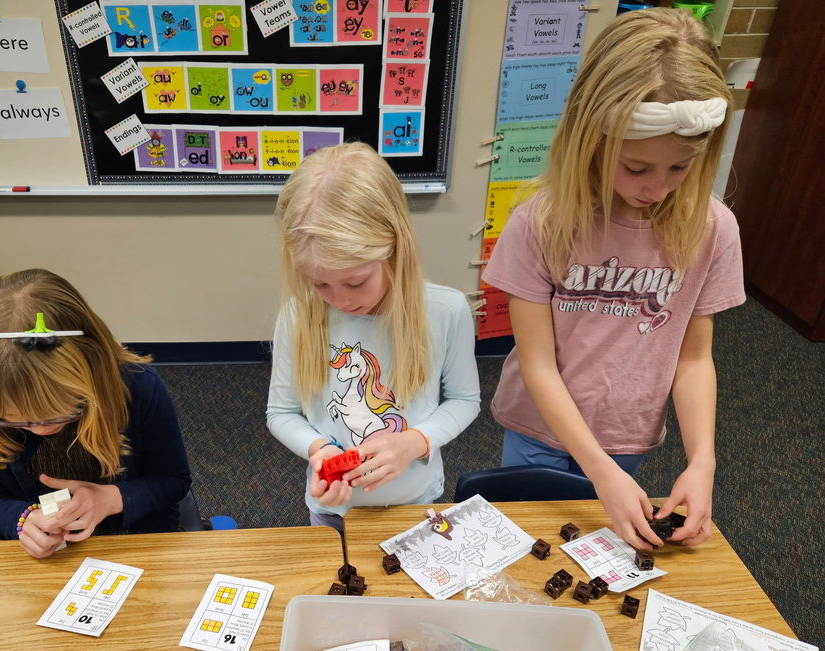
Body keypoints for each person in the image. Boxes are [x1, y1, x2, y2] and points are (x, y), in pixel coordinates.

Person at [483, 8, 744, 550]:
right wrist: (598, 471)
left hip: (628, 432)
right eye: (636, 168)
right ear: (590, 141)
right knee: (528, 551)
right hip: (539, 429)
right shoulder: (542, 222)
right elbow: (537, 363)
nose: (657, 188)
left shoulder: (713, 230)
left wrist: (703, 463)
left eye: (680, 168)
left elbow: (695, 359)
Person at [267, 141, 481, 531]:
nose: (341, 300)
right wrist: (320, 451)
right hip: (332, 507)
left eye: (355, 281)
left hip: (415, 501)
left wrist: (414, 442)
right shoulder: (298, 315)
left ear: (395, 249)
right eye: (320, 284)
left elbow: (465, 400)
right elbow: (281, 413)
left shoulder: (446, 310)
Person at [0, 269, 192, 558]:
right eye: (11, 418)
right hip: (52, 556)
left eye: (59, 413)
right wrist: (23, 521)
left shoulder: (137, 387)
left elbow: (173, 480)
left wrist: (112, 499)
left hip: (138, 538)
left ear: (93, 369)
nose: (40, 430)